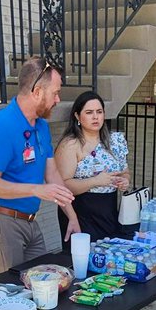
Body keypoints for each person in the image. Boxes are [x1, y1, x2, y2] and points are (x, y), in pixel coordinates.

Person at [0, 56, 78, 310]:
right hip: (3, 220)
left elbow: (53, 175)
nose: (58, 99)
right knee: (12, 289)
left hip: (30, 221)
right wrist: (37, 189)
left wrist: (71, 215)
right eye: (56, 92)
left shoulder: (41, 127)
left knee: (43, 283)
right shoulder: (2, 126)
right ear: (37, 91)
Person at [54, 90, 130, 241]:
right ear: (77, 116)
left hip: (109, 209)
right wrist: (95, 181)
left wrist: (125, 180)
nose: (95, 117)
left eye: (99, 112)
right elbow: (62, 186)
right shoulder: (70, 145)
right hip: (81, 212)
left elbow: (125, 171)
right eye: (89, 112)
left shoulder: (115, 140)